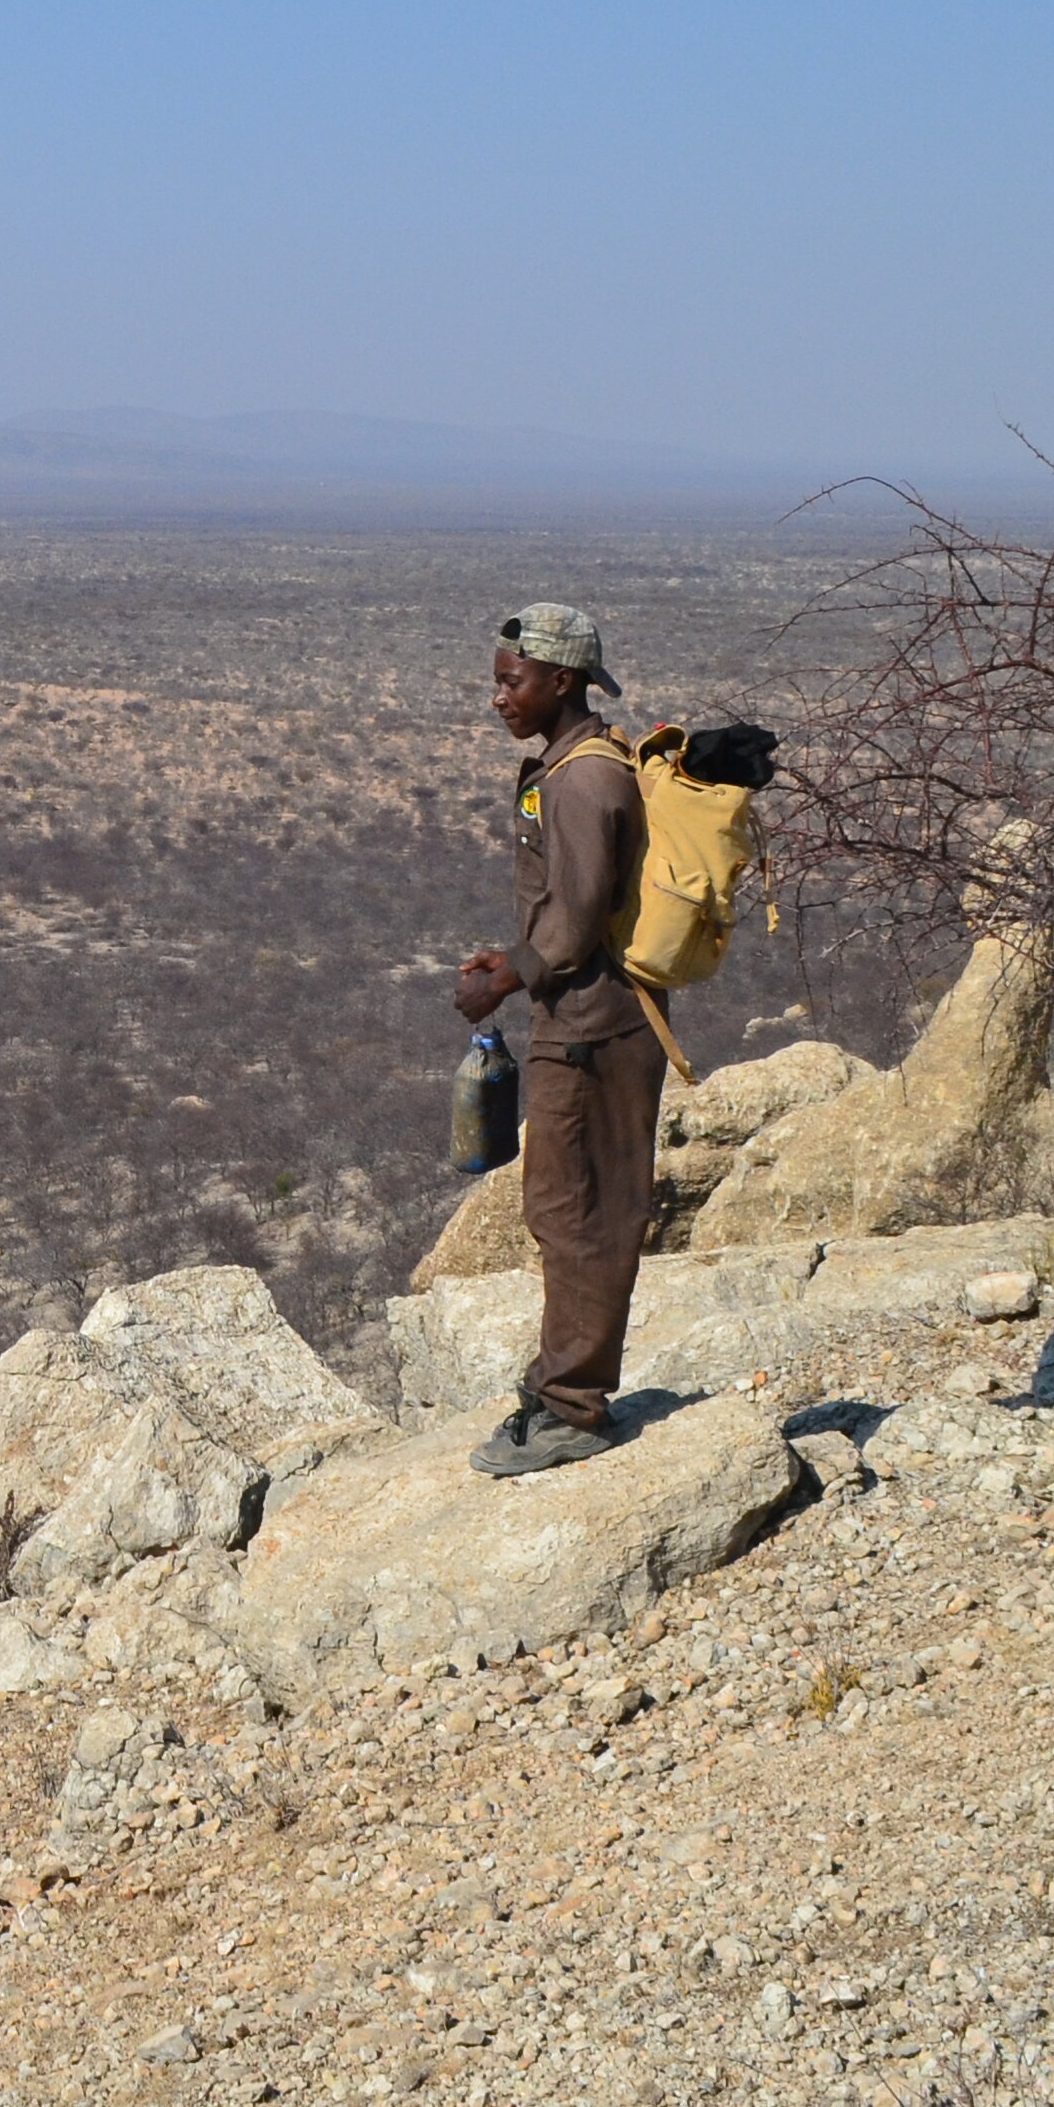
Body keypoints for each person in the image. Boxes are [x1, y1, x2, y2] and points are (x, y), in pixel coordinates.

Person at [448, 603, 664, 1477]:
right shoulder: (567, 766)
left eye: (512, 682)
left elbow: (575, 928)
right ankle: (558, 1387)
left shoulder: (583, 781)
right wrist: (522, 959)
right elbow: (574, 914)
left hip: (595, 1031)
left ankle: (574, 1406)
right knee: (563, 1209)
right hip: (578, 1020)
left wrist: (505, 979)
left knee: (581, 1214)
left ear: (561, 681)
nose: (499, 699)